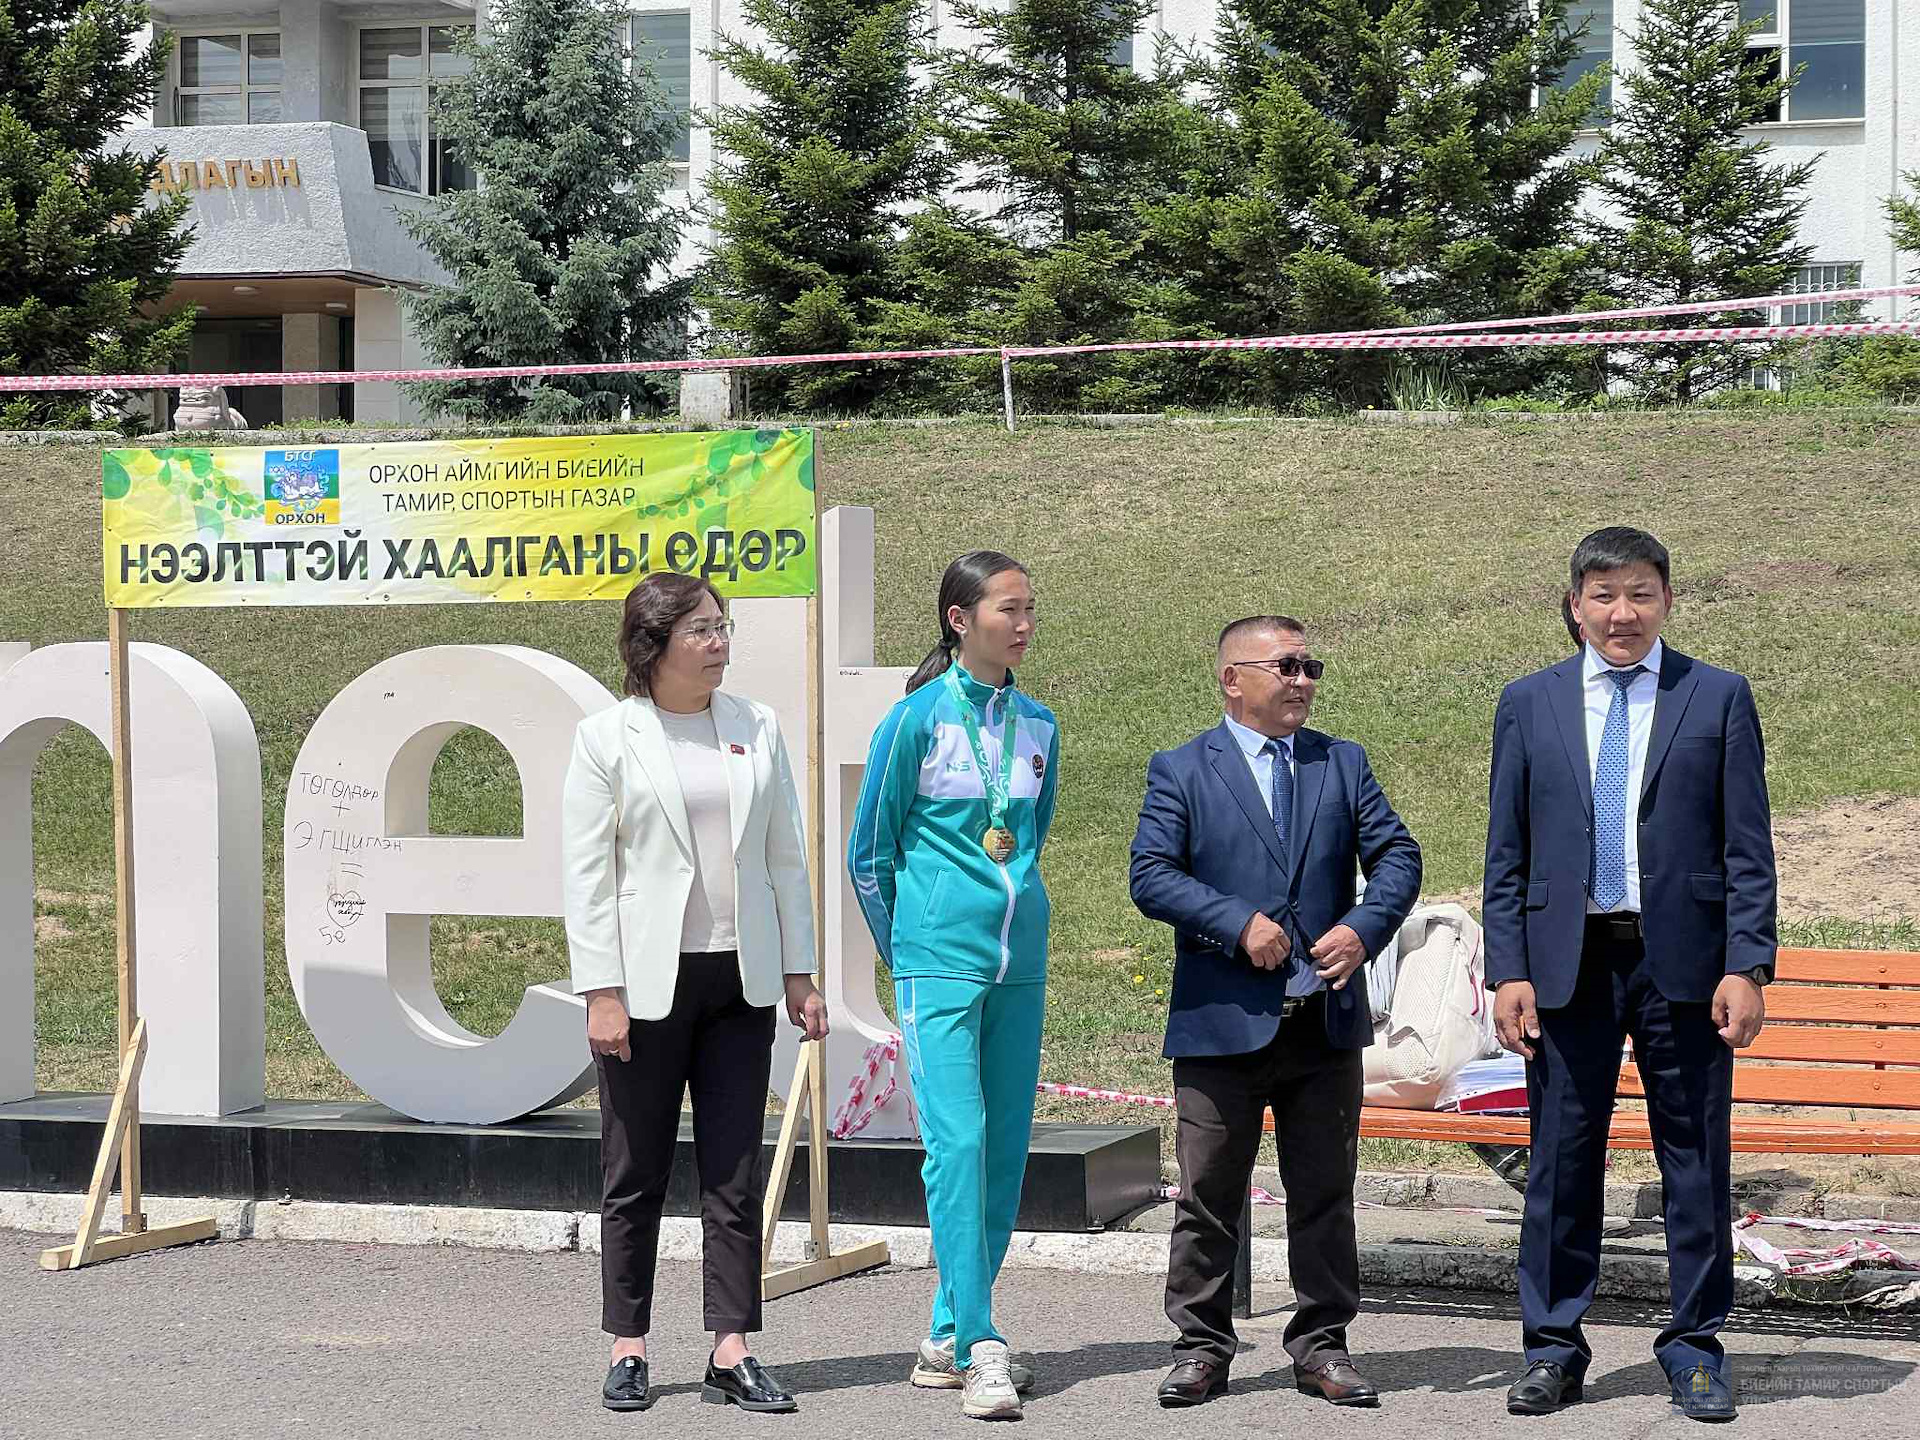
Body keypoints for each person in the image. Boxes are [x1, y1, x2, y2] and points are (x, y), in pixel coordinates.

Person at [1484, 527, 1776, 1422]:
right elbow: (1507, 852)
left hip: (1682, 964)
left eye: (1641, 593)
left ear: (1667, 601)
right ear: (1575, 605)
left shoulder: (1716, 696)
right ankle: (1552, 1349)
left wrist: (1747, 964)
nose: (1623, 613)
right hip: (1567, 964)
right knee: (1560, 1162)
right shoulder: (1529, 702)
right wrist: (1508, 968)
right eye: (1605, 595)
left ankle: (1694, 1348)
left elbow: (1748, 848)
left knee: (1694, 1160)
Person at [1131, 616, 1422, 1409]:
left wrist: (1363, 929)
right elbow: (1151, 875)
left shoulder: (1341, 762)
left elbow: (1398, 856)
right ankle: (1201, 1347)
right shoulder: (1182, 769)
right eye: (1286, 666)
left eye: (1309, 667)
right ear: (1232, 679)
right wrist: (1237, 924)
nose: (1302, 680)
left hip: (1323, 1024)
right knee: (1208, 1196)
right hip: (1222, 1021)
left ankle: (1322, 1345)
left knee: (1324, 1195)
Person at [561, 572, 829, 1416]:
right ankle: (628, 1345)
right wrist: (601, 990)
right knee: (634, 1169)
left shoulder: (757, 725)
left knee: (734, 1170)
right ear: (655, 644)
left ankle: (732, 1346)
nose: (719, 644)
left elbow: (785, 855)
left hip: (739, 980)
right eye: (702, 630)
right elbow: (587, 875)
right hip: (645, 985)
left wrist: (799, 972)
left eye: (723, 627)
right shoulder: (606, 737)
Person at [846, 550, 1060, 1421]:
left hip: (1020, 963)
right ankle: (980, 1345)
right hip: (937, 963)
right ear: (959, 619)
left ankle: (944, 1335)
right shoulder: (913, 720)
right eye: (1008, 608)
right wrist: (909, 951)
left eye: (1030, 608)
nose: (1024, 623)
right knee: (958, 1146)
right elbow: (869, 854)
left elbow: (1029, 837)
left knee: (1003, 1153)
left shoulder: (1040, 724)